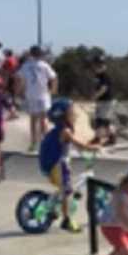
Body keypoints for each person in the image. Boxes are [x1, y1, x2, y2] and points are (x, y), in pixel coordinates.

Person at [38, 97, 100, 232]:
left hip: (57, 164)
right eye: (71, 112)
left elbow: (78, 147)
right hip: (56, 165)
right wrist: (93, 148)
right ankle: (66, 221)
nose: (75, 115)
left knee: (68, 188)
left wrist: (91, 146)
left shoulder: (65, 129)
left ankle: (55, 206)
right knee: (67, 189)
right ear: (62, 116)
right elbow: (79, 145)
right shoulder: (65, 131)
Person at [17, 45, 58, 151]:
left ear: (31, 54)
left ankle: (34, 143)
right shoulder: (44, 65)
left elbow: (21, 80)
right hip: (43, 95)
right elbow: (54, 77)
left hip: (31, 95)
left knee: (33, 120)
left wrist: (20, 91)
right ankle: (44, 142)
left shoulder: (25, 66)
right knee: (43, 119)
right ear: (40, 54)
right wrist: (53, 89)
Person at [90, 55, 116, 146]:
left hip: (106, 101)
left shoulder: (104, 76)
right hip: (100, 101)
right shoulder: (97, 76)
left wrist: (95, 96)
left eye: (99, 65)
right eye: (95, 65)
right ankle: (97, 137)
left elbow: (104, 88)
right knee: (99, 120)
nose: (96, 67)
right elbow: (96, 87)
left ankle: (111, 138)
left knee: (104, 121)